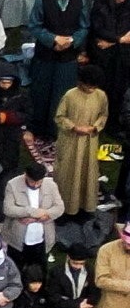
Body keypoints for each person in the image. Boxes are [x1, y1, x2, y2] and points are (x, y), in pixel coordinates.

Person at [54, 64, 108, 218]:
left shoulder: (101, 96)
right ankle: (64, 209)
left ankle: (86, 207)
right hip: (70, 140)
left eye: (93, 87)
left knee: (87, 172)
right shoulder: (70, 95)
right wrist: (74, 127)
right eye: (88, 86)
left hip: (90, 141)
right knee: (67, 173)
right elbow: (59, 117)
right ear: (81, 82)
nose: (90, 90)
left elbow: (103, 115)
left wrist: (94, 127)